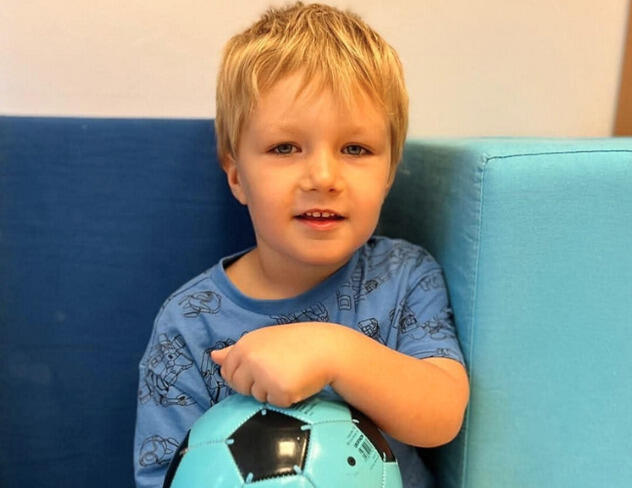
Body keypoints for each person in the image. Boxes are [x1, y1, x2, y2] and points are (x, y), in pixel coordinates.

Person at [134, 3, 469, 487]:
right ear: (236, 175)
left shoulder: (404, 276)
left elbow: (442, 414)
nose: (323, 177)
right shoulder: (189, 324)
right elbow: (165, 475)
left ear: (389, 173)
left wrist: (335, 352)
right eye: (285, 148)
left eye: (355, 149)